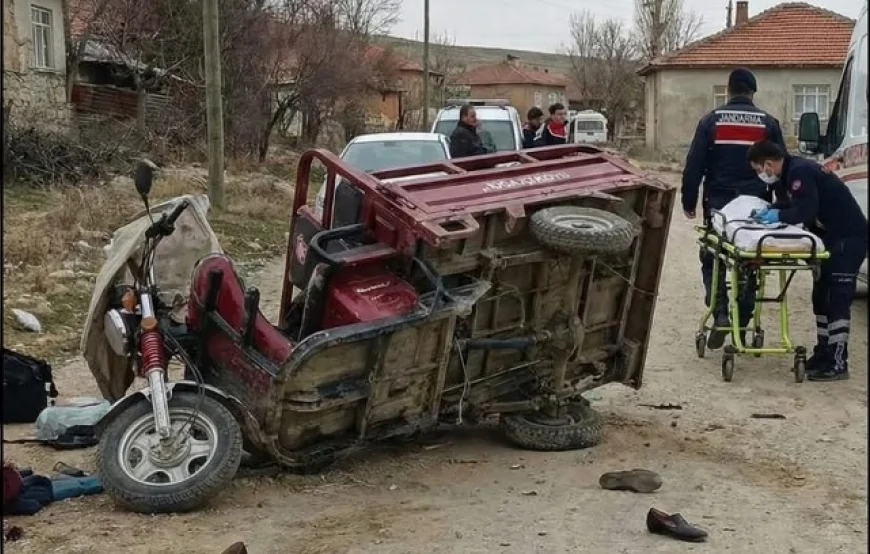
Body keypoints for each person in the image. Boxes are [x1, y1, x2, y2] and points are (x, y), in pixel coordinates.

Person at [682, 68, 787, 350]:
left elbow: (695, 164)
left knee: (713, 255)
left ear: (728, 91)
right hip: (756, 206)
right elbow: (781, 167)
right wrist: (784, 206)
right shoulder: (768, 123)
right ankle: (743, 316)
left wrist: (688, 200)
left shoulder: (711, 121)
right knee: (750, 256)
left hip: (720, 205)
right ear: (753, 92)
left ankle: (720, 312)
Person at [748, 140, 868, 381]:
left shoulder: (799, 171)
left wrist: (778, 215)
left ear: (768, 164)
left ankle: (837, 361)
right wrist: (771, 209)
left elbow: (805, 211)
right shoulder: (790, 173)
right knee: (821, 297)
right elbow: (793, 203)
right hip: (831, 239)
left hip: (848, 238)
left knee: (836, 298)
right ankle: (823, 353)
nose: (761, 175)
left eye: (759, 169)